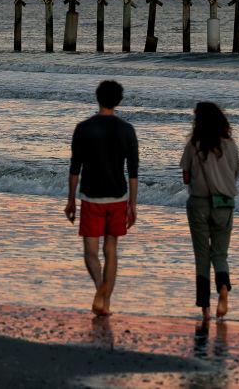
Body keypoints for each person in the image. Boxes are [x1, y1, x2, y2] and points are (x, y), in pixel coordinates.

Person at [65, 80, 139, 317]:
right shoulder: (127, 130)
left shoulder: (83, 128)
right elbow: (134, 171)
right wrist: (133, 204)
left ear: (98, 98)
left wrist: (70, 200)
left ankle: (99, 287)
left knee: (90, 251)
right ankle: (105, 303)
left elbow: (75, 168)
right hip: (118, 197)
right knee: (111, 250)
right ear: (119, 101)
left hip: (91, 197)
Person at [181, 102, 239, 320]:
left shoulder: (193, 145)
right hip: (224, 203)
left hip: (198, 203)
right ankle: (223, 290)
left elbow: (185, 176)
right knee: (220, 253)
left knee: (202, 256)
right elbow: (235, 174)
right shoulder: (231, 145)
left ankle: (205, 308)